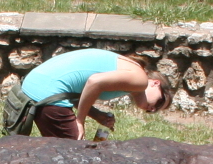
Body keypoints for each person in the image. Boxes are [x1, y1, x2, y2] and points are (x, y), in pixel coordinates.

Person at [17, 49, 173, 141]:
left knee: (61, 153)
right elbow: (94, 82)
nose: (153, 109)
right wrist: (80, 121)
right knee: (72, 154)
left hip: (35, 83)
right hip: (48, 90)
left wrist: (97, 115)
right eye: (160, 102)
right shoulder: (140, 80)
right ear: (155, 83)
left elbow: (77, 91)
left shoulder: (130, 75)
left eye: (156, 110)